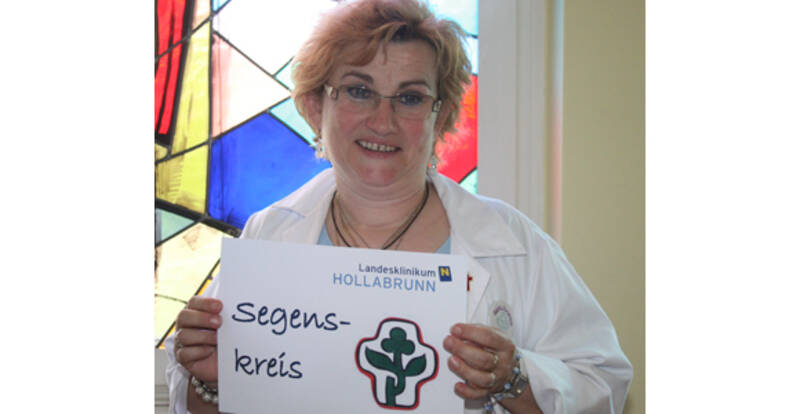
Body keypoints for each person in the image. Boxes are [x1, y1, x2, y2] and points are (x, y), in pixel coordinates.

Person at [165, 0, 633, 413]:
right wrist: (210, 382)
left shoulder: (516, 244)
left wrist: (513, 377)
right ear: (315, 105)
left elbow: (603, 389)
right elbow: (210, 403)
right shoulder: (268, 236)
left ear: (441, 116)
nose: (383, 121)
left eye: (410, 98)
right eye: (359, 90)